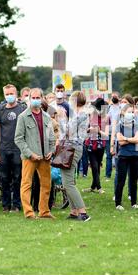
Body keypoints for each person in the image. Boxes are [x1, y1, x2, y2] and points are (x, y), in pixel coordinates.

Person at [14, 88, 56, 219]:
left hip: (45, 157)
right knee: (26, 184)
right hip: (29, 157)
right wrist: (29, 153)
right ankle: (29, 212)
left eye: (38, 98)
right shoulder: (23, 117)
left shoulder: (47, 117)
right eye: (34, 98)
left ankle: (44, 211)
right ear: (29, 99)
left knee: (46, 184)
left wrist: (51, 151)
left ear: (42, 98)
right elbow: (18, 138)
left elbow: (51, 137)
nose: (36, 100)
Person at [58, 91, 91, 221]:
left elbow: (67, 130)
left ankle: (82, 212)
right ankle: (74, 211)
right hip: (71, 148)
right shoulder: (78, 115)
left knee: (68, 183)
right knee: (68, 181)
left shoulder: (81, 115)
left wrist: (61, 117)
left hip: (72, 149)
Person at [0, 84, 25, 212]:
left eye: (11, 94)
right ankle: (5, 204)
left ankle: (17, 204)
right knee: (4, 178)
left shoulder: (22, 109)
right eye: (7, 94)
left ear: (16, 94)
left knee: (18, 178)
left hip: (18, 149)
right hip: (3, 149)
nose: (9, 96)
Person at [114, 104, 138, 210]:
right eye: (129, 112)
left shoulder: (136, 125)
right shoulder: (119, 126)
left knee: (133, 180)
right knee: (121, 180)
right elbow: (120, 142)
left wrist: (126, 138)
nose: (131, 114)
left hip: (135, 155)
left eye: (132, 112)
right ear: (123, 112)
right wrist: (131, 138)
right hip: (123, 156)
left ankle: (134, 202)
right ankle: (118, 203)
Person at [84, 98, 109, 194]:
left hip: (100, 144)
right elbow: (84, 129)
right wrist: (89, 129)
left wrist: (99, 131)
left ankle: (93, 187)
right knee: (94, 166)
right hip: (90, 143)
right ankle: (99, 187)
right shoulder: (90, 116)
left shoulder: (106, 118)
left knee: (97, 165)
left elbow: (106, 135)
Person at [106, 91, 121, 179]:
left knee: (119, 154)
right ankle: (108, 174)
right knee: (109, 154)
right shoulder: (109, 107)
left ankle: (119, 171)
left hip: (120, 132)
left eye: (115, 96)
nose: (113, 98)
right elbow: (105, 119)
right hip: (111, 132)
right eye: (112, 97)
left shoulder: (121, 107)